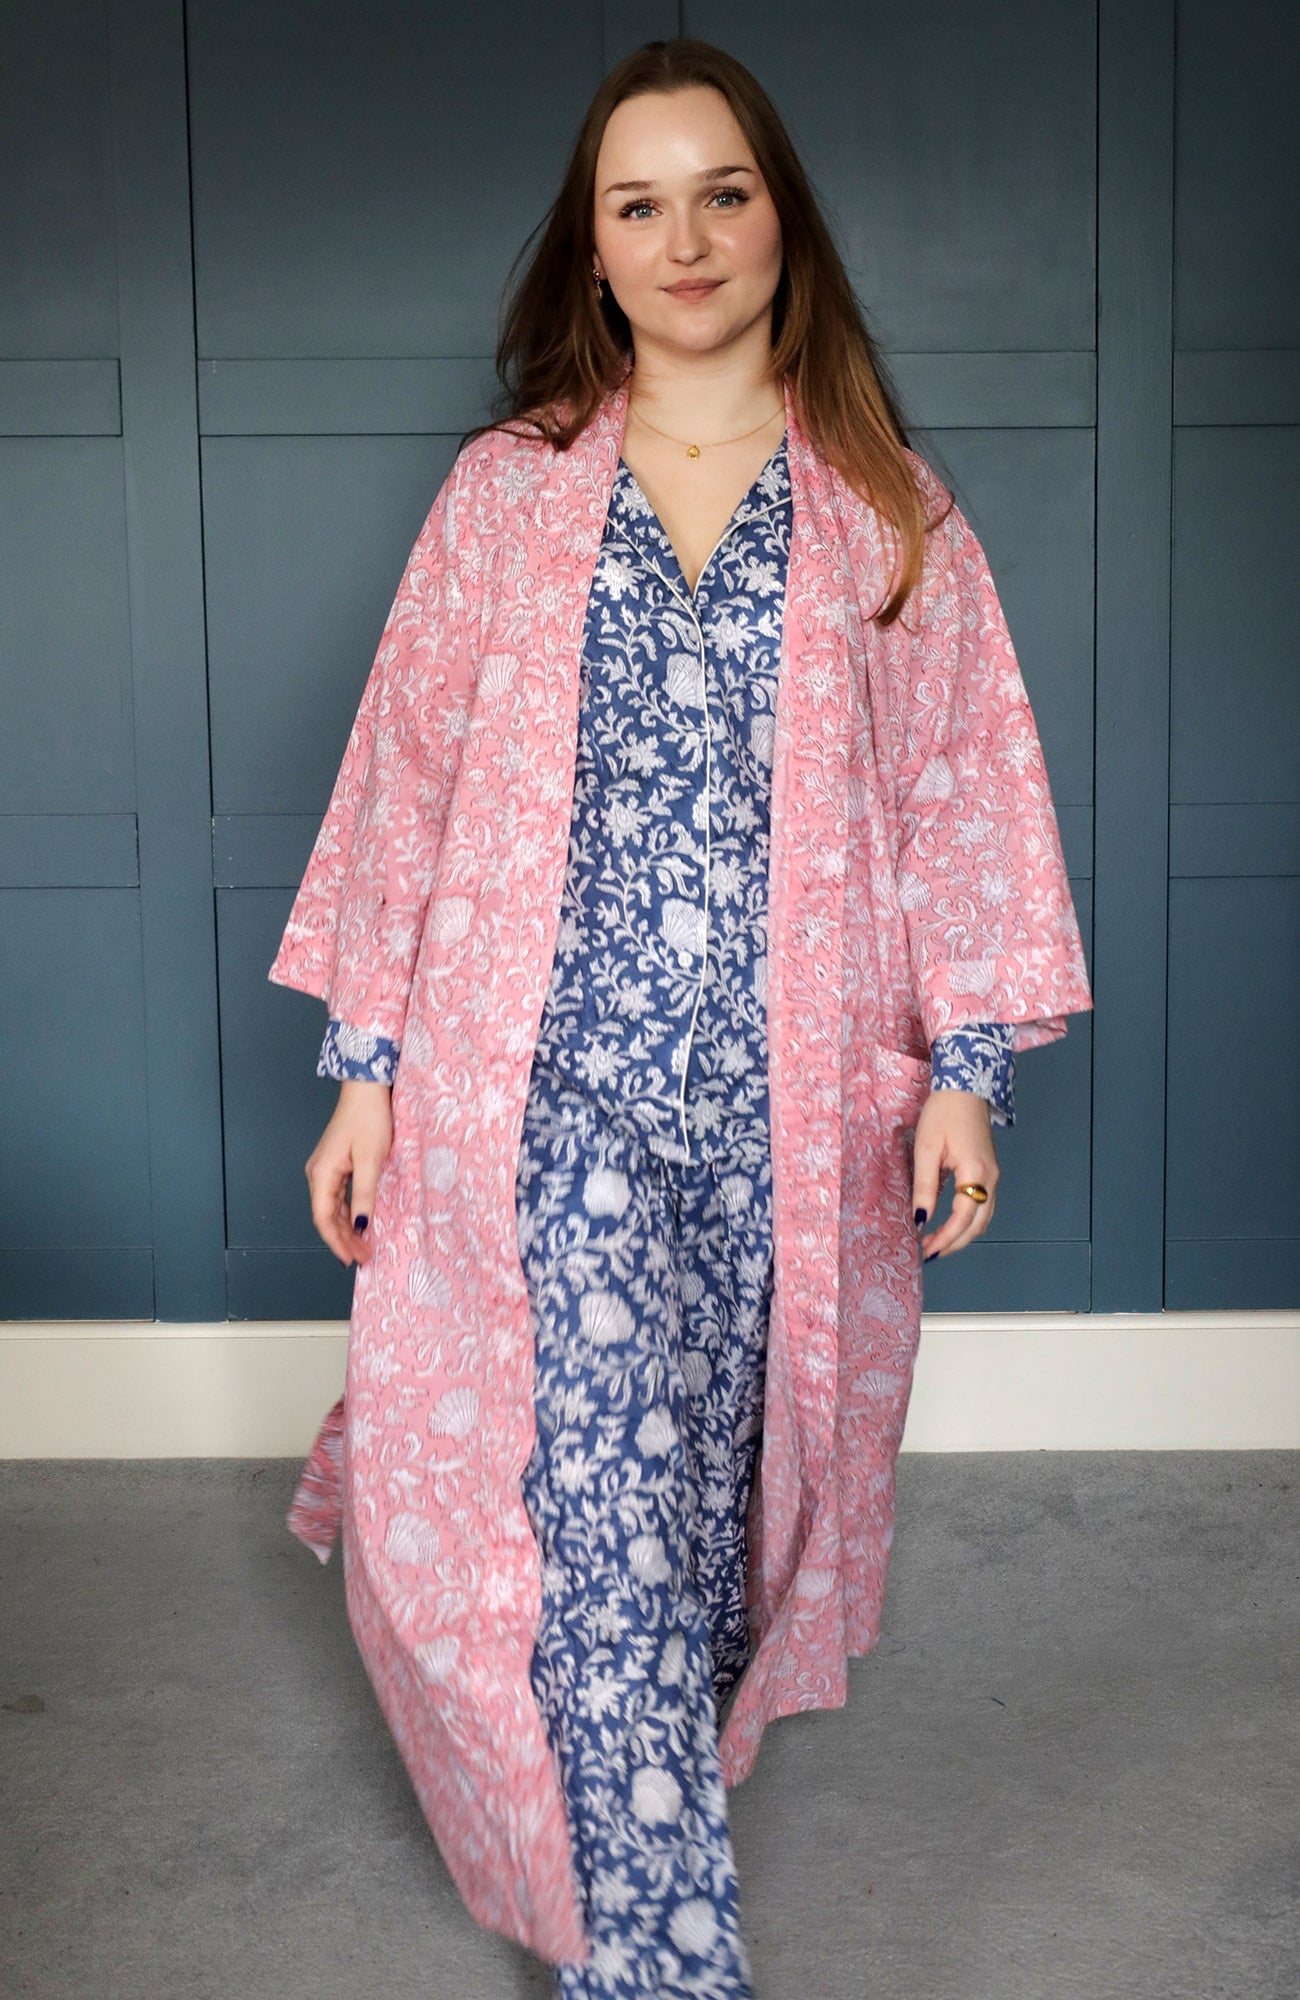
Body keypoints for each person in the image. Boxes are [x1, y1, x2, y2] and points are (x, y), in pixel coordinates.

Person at [269, 37, 1092, 2000]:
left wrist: (966, 1072)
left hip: (789, 1108)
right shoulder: (506, 497)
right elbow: (405, 781)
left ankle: (619, 1821)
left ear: (780, 215)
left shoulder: (889, 508)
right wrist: (366, 1068)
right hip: (540, 1087)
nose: (685, 237)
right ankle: (654, 1956)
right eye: (637, 205)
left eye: (722, 191)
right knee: (596, 1506)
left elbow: (962, 797)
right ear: (593, 247)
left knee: (712, 1514)